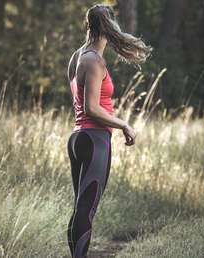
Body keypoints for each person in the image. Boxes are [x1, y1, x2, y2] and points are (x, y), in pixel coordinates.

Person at [66, 4, 152, 258]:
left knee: (81, 208)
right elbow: (91, 107)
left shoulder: (77, 56)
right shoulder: (93, 60)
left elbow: (78, 102)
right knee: (86, 211)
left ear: (88, 25)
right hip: (95, 140)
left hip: (78, 138)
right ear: (109, 26)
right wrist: (123, 124)